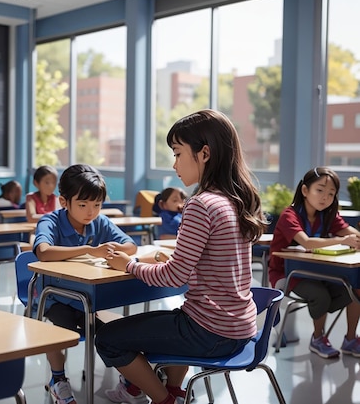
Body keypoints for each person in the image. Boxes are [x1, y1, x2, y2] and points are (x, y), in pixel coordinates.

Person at [95, 109, 267, 404]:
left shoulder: (201, 204)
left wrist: (130, 265)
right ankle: (174, 389)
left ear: (204, 154)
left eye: (177, 153)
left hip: (209, 333)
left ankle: (165, 400)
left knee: (107, 339)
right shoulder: (235, 200)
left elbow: (175, 276)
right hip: (241, 329)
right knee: (176, 316)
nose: (174, 163)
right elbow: (211, 260)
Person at [33, 163, 137, 404]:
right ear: (63, 202)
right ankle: (57, 380)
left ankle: (130, 381)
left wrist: (112, 249)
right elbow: (43, 252)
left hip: (88, 298)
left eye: (97, 205)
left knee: (115, 332)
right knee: (59, 331)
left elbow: (131, 246)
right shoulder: (50, 221)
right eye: (82, 205)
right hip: (54, 297)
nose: (90, 212)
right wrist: (90, 250)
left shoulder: (100, 222)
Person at [268, 166, 360, 359]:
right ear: (305, 190)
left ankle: (350, 339)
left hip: (316, 270)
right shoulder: (289, 215)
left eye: (331, 194)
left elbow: (351, 233)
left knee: (356, 288)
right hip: (286, 273)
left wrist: (355, 238)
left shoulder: (327, 215)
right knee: (321, 295)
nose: (324, 197)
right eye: (319, 190)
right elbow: (307, 242)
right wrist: (342, 240)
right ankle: (317, 339)